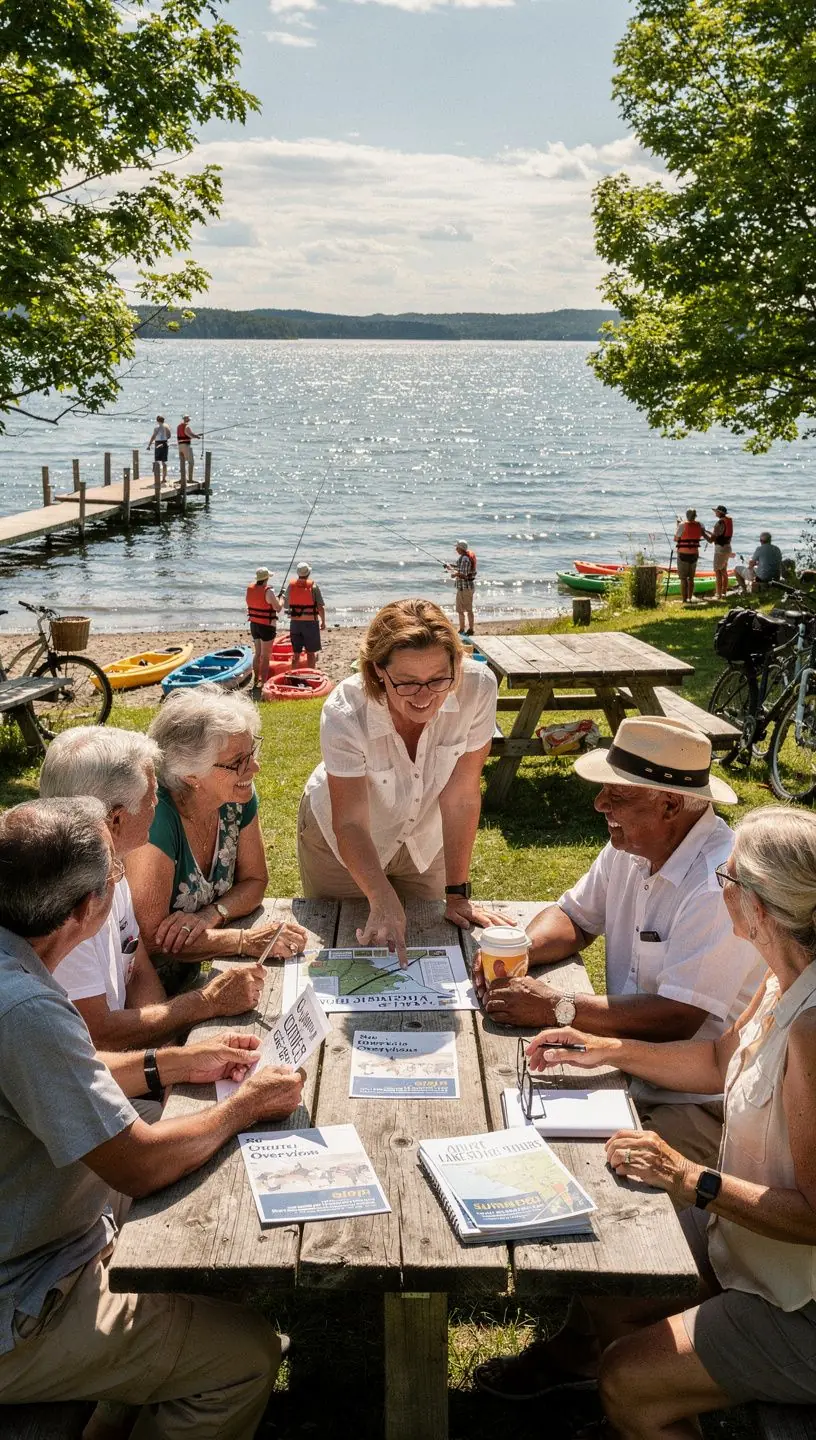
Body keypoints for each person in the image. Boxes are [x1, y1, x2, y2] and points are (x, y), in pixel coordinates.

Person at [0, 797, 304, 1435]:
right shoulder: (24, 1008)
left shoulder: (16, 977)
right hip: (21, 1301)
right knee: (244, 1356)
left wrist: (167, 1065)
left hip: (35, 1250)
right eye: (115, 876)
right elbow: (139, 1163)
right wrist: (241, 1109)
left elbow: (50, 1076)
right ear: (88, 908)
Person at [512, 806, 816, 1439]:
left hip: (801, 1301)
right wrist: (610, 1050)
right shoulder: (781, 978)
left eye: (728, 879)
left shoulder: (811, 1034)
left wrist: (690, 1179)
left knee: (626, 1378)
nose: (718, 886)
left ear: (759, 908)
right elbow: (714, 1060)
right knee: (616, 1274)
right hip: (756, 1255)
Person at [40, 728, 268, 1113]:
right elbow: (98, 1034)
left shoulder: (110, 868)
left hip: (125, 1070)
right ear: (113, 819)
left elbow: (138, 970)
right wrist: (204, 1003)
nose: (159, 805)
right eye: (151, 796)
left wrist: (171, 1066)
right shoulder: (63, 907)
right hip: (82, 1097)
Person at [297, 597, 504, 964]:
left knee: (430, 936)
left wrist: (457, 893)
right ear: (378, 671)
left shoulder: (479, 688)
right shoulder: (345, 710)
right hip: (341, 835)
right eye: (407, 683)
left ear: (457, 662)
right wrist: (380, 897)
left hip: (424, 834)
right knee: (347, 942)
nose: (425, 697)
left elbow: (461, 796)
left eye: (439, 679)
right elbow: (349, 821)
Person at [127, 684, 307, 980]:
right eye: (238, 762)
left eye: (251, 753)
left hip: (185, 976)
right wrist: (244, 941)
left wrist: (210, 915)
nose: (255, 768)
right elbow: (151, 938)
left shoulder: (234, 797)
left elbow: (255, 881)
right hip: (138, 991)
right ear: (190, 774)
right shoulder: (156, 819)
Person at [246, 564, 283, 690]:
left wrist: (274, 599)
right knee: (266, 656)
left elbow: (261, 602)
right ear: (267, 578)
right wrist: (281, 598)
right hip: (267, 626)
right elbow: (278, 608)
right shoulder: (269, 591)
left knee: (258, 654)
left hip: (254, 624)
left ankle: (256, 679)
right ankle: (264, 682)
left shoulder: (250, 589)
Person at [287, 561, 325, 668]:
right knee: (310, 653)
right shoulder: (313, 587)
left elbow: (286, 605)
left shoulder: (291, 586)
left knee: (296, 653)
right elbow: (320, 607)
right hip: (310, 623)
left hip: (295, 623)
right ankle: (311, 673)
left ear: (298, 573)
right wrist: (323, 621)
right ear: (308, 573)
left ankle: (293, 674)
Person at [446, 539, 477, 635]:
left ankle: (469, 629)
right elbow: (461, 568)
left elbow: (463, 574)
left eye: (457, 547)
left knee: (467, 610)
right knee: (461, 610)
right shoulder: (464, 558)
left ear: (461, 548)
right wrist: (450, 566)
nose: (456, 549)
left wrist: (454, 575)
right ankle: (462, 629)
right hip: (463, 588)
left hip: (465, 588)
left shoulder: (464, 559)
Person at [702, 505, 733, 600]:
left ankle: (718, 594)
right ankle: (724, 592)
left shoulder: (719, 523)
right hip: (728, 548)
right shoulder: (728, 521)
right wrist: (709, 533)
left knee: (718, 571)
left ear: (719, 513)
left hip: (720, 550)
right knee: (724, 570)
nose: (715, 513)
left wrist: (702, 533)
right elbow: (720, 535)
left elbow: (711, 540)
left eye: (716, 511)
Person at [674, 509, 704, 603]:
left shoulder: (682, 525)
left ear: (687, 516)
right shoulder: (700, 525)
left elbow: (676, 539)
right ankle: (690, 598)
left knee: (683, 579)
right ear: (695, 516)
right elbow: (699, 535)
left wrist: (678, 526)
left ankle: (684, 600)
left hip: (683, 554)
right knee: (691, 578)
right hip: (694, 554)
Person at [146, 414, 171, 483]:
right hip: (165, 443)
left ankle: (156, 477)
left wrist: (149, 445)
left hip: (158, 443)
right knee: (164, 462)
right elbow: (169, 436)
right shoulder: (167, 427)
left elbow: (153, 436)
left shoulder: (157, 428)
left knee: (157, 461)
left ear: (157, 421)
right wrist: (164, 438)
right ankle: (163, 478)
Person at [176, 413, 200, 481]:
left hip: (180, 445)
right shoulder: (187, 426)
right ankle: (190, 479)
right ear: (187, 419)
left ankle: (182, 478)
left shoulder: (178, 426)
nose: (189, 420)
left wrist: (194, 435)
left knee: (182, 462)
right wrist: (196, 436)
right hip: (186, 445)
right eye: (188, 419)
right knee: (191, 462)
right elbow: (189, 435)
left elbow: (185, 434)